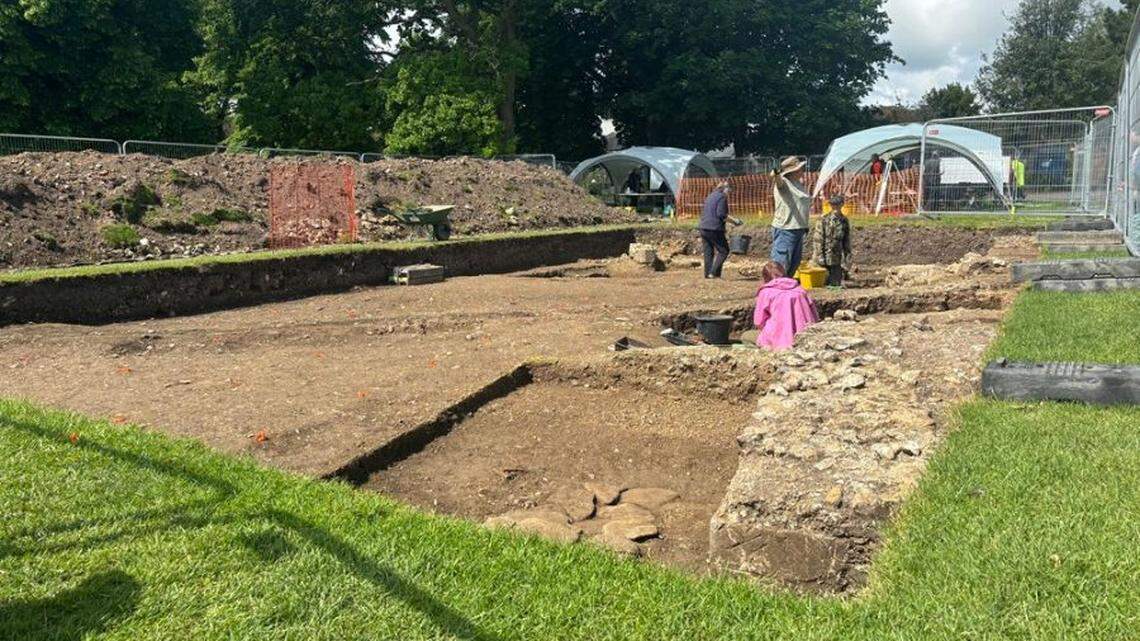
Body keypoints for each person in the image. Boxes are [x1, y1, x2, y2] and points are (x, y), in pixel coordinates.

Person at [753, 261, 819, 351]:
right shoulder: (801, 290)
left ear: (765, 278)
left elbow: (758, 321)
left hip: (778, 341)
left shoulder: (766, 292)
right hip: (806, 338)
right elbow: (815, 317)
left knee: (746, 336)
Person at [771, 156, 812, 277]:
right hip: (786, 229)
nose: (802, 170)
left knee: (794, 263)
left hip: (798, 228)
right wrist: (777, 173)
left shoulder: (798, 183)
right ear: (792, 171)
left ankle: (786, 289)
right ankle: (776, 290)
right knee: (781, 263)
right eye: (800, 168)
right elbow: (778, 180)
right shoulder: (784, 182)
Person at [698, 181, 741, 278]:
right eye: (729, 190)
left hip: (703, 227)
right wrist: (735, 221)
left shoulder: (710, 196)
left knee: (708, 252)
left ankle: (708, 274)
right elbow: (721, 214)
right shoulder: (722, 197)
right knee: (724, 251)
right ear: (724, 188)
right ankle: (713, 273)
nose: (729, 192)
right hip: (714, 228)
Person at [813, 194, 853, 288]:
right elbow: (818, 240)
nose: (835, 207)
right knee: (821, 285)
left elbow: (846, 241)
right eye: (833, 205)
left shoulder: (844, 221)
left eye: (837, 204)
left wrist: (847, 258)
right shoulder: (823, 219)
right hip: (822, 258)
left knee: (835, 285)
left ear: (842, 205)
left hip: (836, 259)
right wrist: (820, 257)